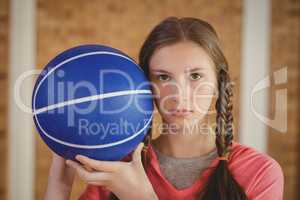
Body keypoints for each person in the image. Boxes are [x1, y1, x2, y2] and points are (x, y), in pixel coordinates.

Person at [44, 17, 284, 200]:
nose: (179, 94)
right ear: (144, 86)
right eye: (164, 77)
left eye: (196, 75)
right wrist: (60, 181)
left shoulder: (259, 172)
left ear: (219, 84)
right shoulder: (117, 169)